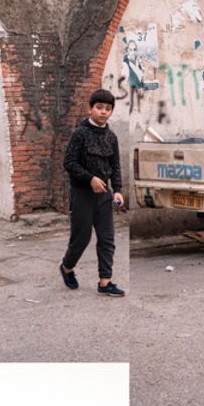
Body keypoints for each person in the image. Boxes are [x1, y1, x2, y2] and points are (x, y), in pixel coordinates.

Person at [59, 88, 126, 296]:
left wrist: (117, 190)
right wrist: (90, 179)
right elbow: (69, 162)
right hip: (82, 194)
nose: (103, 112)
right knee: (81, 238)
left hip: (104, 196)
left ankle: (105, 282)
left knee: (107, 239)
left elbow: (115, 165)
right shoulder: (80, 134)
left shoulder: (111, 137)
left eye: (108, 108)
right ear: (90, 109)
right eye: (99, 107)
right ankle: (67, 267)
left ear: (111, 112)